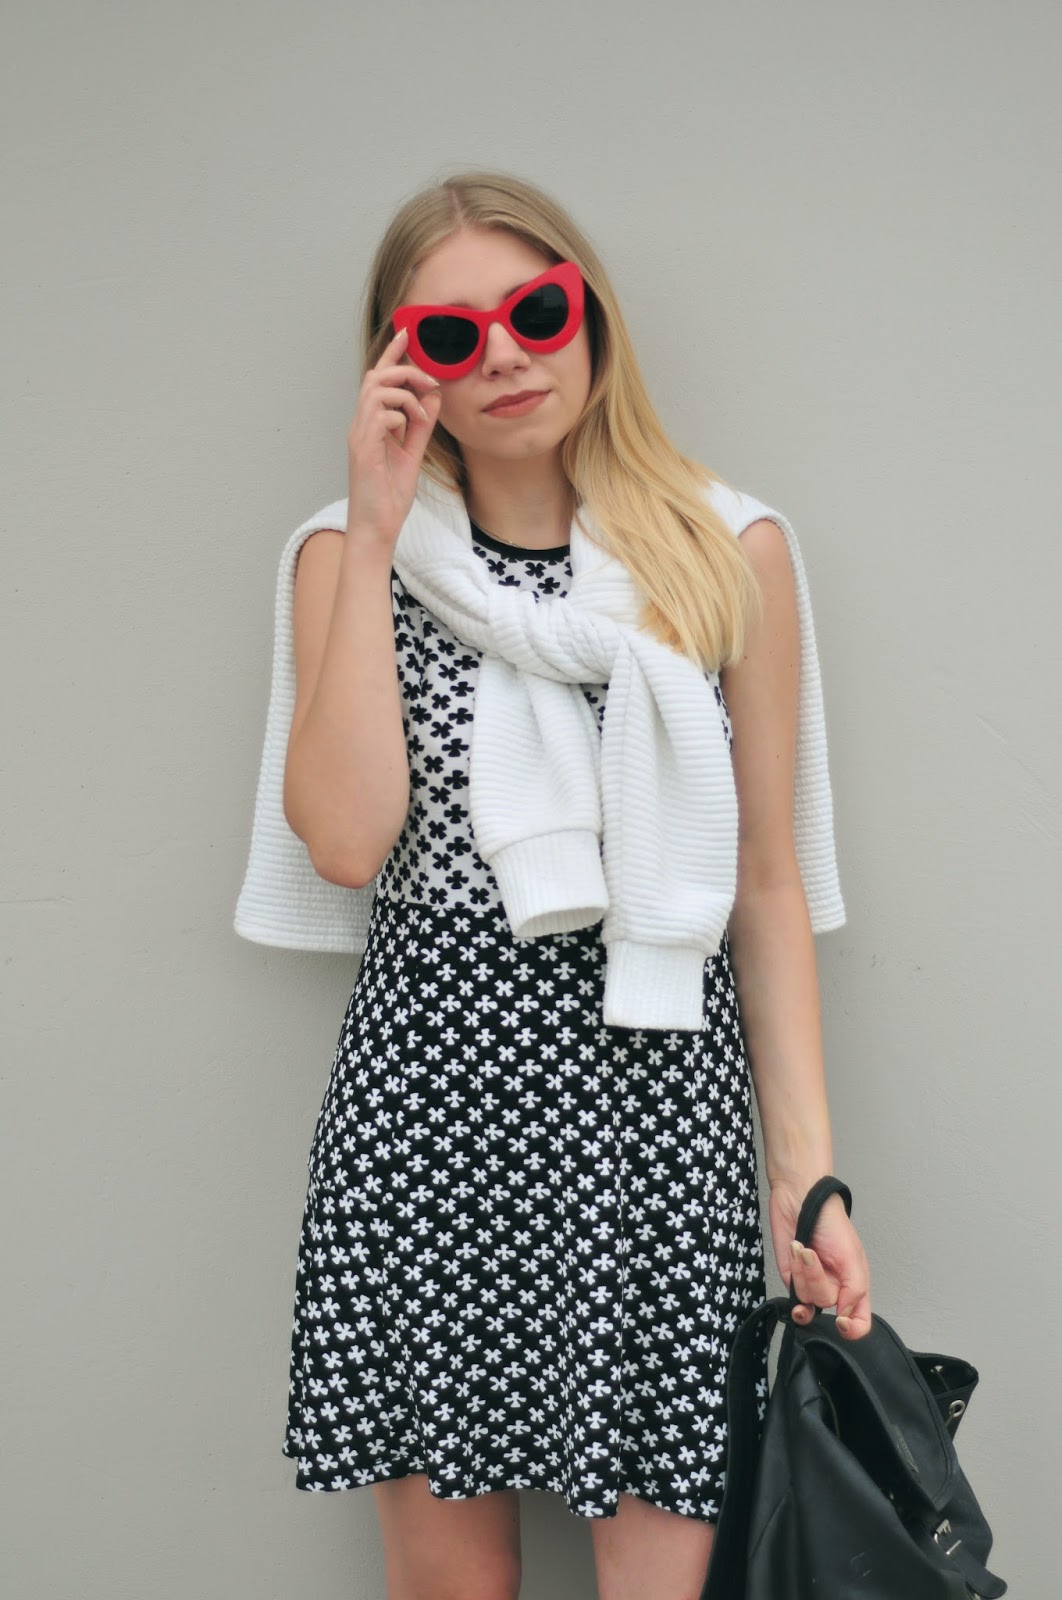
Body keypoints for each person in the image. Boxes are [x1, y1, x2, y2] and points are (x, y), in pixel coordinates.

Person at [235, 169, 871, 1600]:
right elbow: (346, 842)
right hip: (428, 1116)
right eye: (450, 335)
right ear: (400, 367)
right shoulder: (348, 556)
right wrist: (374, 522)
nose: (506, 356)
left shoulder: (724, 548)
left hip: (653, 1106)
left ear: (590, 314)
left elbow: (762, 882)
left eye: (535, 311)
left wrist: (807, 1181)